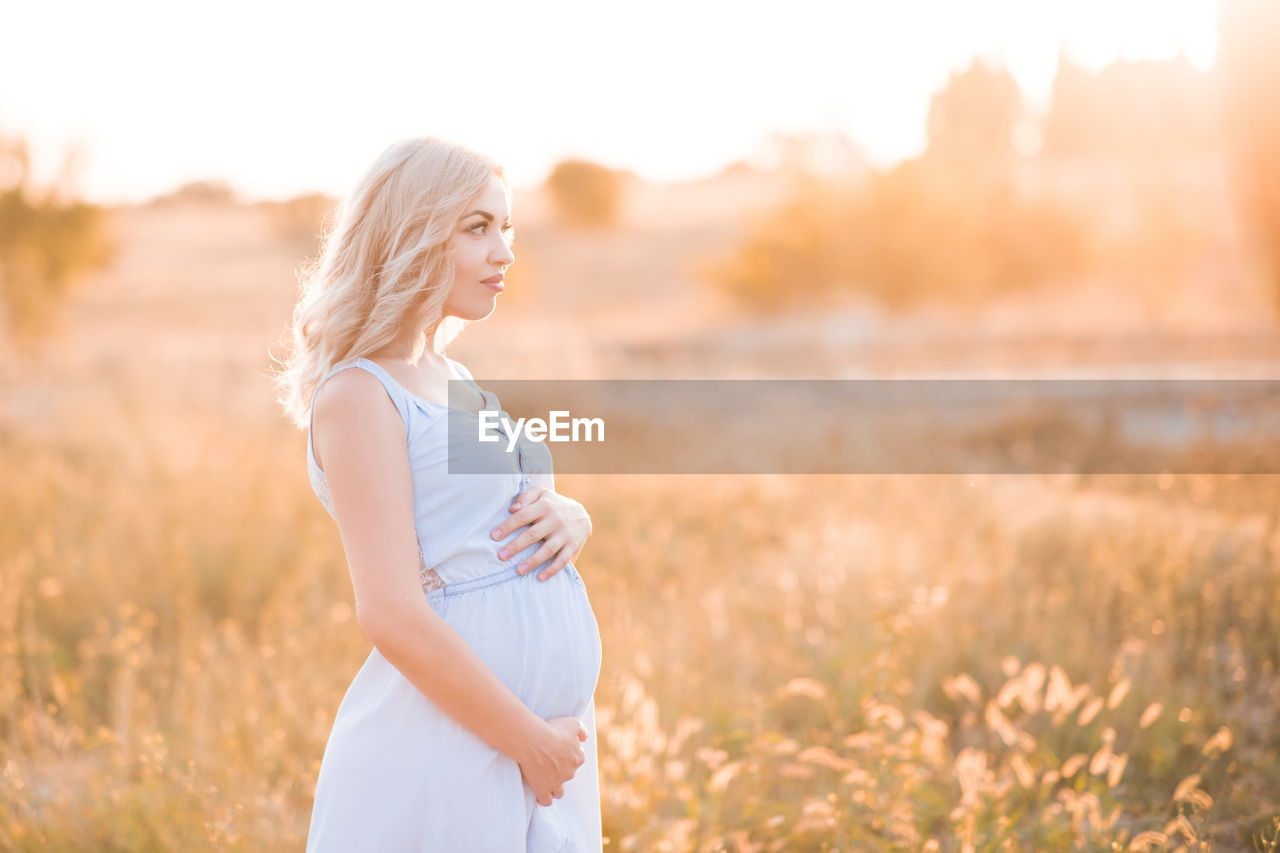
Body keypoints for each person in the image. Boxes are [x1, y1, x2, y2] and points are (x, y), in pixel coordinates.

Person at [274, 137, 603, 851]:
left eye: (506, 228)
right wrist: (530, 742)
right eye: (478, 227)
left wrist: (569, 514)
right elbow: (390, 610)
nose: (505, 252)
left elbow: (488, 512)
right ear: (415, 233)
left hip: (529, 750)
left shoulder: (453, 376)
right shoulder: (360, 396)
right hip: (451, 749)